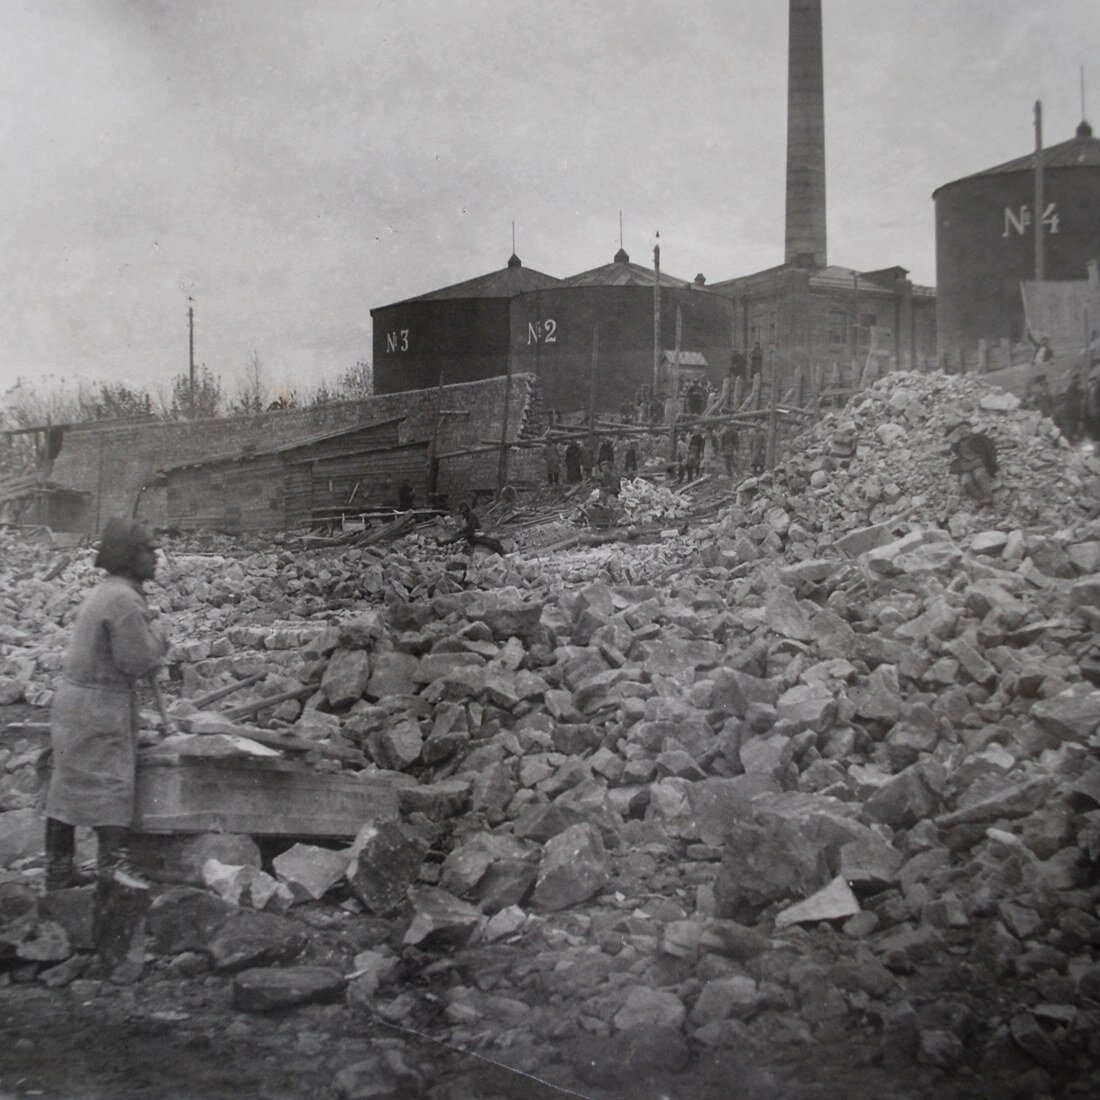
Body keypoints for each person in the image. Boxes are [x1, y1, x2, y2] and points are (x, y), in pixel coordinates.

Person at [44, 518, 169, 892]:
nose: (156, 558)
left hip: (77, 701)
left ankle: (59, 872)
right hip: (100, 705)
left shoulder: (109, 591)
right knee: (112, 783)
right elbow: (136, 660)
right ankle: (112, 871)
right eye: (149, 550)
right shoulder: (124, 599)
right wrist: (160, 635)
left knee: (66, 785)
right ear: (130, 556)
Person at [946, 419, 997, 505]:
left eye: (965, 428)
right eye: (961, 429)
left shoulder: (979, 438)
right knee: (965, 481)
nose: (963, 431)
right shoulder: (957, 445)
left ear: (970, 429)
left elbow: (990, 450)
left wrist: (992, 465)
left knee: (979, 475)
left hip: (978, 463)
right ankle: (980, 499)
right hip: (966, 467)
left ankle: (988, 496)